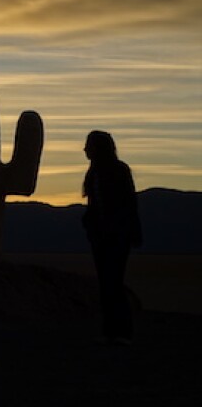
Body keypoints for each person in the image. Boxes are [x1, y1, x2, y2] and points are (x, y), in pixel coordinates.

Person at [82, 130, 142, 346]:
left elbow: (128, 202)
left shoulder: (118, 170)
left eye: (89, 145)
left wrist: (132, 230)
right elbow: (95, 205)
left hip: (117, 235)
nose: (85, 149)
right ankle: (110, 332)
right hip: (100, 235)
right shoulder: (94, 173)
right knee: (106, 284)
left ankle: (123, 333)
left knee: (113, 283)